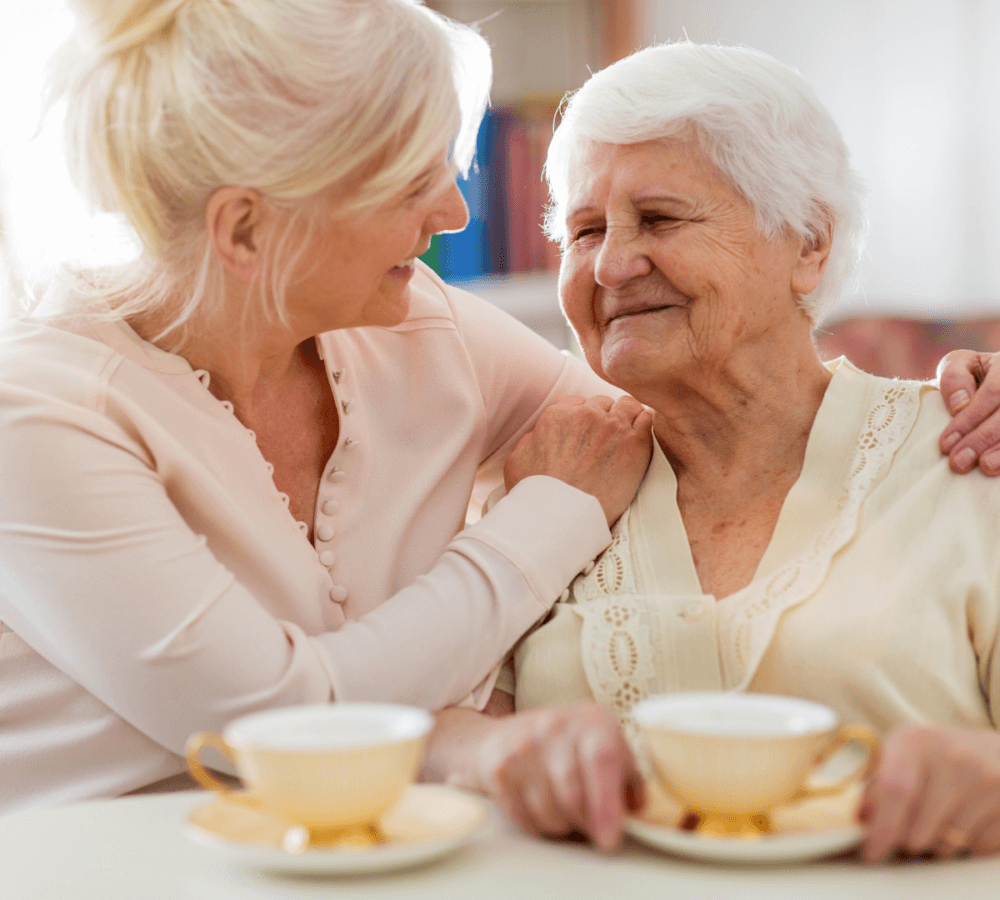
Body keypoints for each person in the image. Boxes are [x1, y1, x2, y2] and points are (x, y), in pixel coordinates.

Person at [0, 0, 659, 813]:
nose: (453, 214)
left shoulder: (420, 325)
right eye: (412, 185)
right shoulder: (33, 415)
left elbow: (642, 441)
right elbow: (279, 724)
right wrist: (551, 513)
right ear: (244, 230)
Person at [425, 42, 1000, 862]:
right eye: (585, 230)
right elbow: (436, 726)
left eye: (659, 219)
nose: (613, 264)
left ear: (807, 244)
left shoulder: (972, 455)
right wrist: (494, 755)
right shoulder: (548, 482)